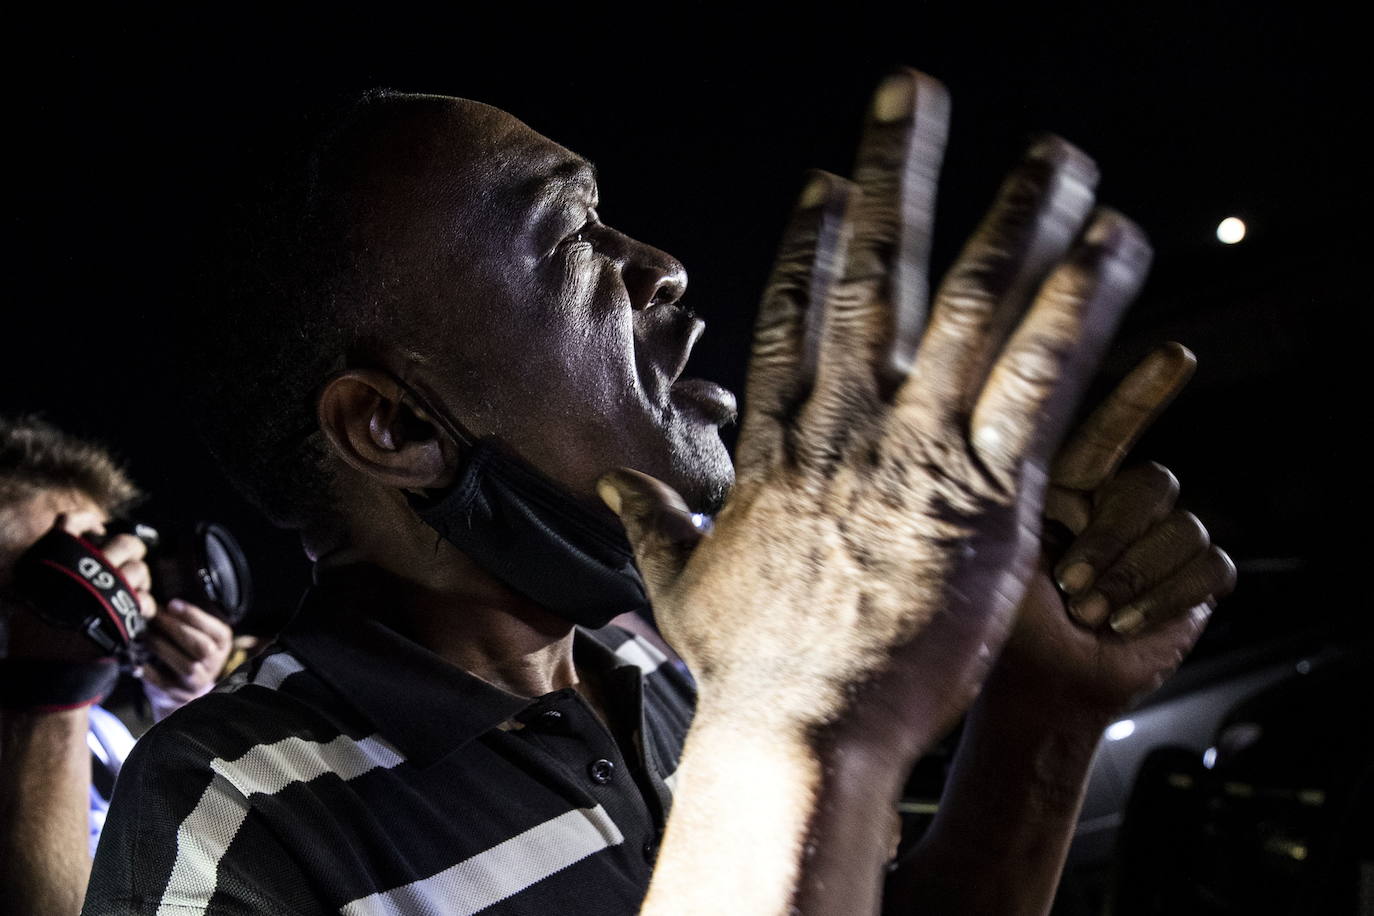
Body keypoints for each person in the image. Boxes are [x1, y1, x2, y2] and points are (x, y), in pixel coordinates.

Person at [84, 70, 1235, 915]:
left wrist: (1042, 708)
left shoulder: (655, 680)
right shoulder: (235, 820)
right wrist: (775, 730)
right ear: (396, 425)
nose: (661, 264)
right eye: (568, 234)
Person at [0, 415, 235, 916]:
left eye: (95, 552)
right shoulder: (47, 728)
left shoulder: (104, 734)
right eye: (55, 564)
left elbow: (214, 873)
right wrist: (55, 685)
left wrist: (185, 707)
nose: (102, 581)